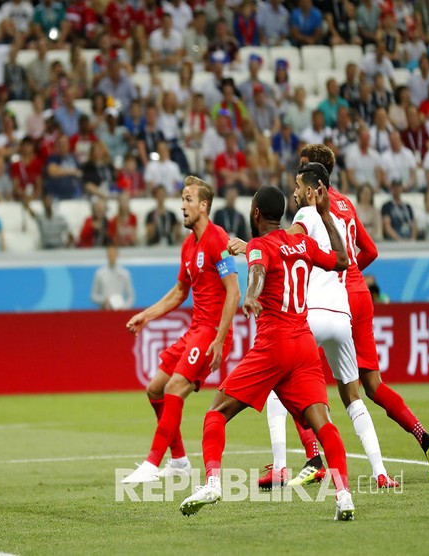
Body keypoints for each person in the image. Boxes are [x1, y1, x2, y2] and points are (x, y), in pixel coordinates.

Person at [180, 184, 356, 521]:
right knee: (323, 424)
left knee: (215, 413)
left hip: (274, 344)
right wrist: (325, 215)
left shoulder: (260, 245)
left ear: (256, 213)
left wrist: (251, 294)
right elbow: (343, 260)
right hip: (304, 345)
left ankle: (214, 483)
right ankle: (344, 495)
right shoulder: (303, 242)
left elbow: (258, 269)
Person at [297, 144, 429, 481]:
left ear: (314, 175)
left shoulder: (314, 205)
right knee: (374, 386)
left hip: (336, 297)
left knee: (299, 373)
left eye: (303, 168)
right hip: (361, 292)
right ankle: (425, 438)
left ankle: (315, 458)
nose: (298, 178)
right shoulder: (347, 203)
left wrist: (334, 276)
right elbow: (371, 250)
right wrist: (351, 273)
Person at [256, 162, 397, 488]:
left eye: (297, 185)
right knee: (353, 397)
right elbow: (351, 257)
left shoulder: (306, 215)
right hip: (342, 317)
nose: (293, 191)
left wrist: (251, 247)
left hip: (314, 314)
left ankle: (280, 467)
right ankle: (380, 472)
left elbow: (286, 243)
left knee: (279, 384)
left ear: (311, 189)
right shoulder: (337, 217)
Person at [121, 177, 240, 483]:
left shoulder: (218, 238)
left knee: (175, 388)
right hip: (195, 330)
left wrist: (219, 338)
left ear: (203, 206)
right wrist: (146, 316)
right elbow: (179, 292)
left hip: (211, 332)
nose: (182, 206)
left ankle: (152, 461)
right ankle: (179, 461)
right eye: (182, 200)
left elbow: (234, 292)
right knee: (155, 389)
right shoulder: (188, 246)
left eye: (188, 200)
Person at [91, 244, 135, 310]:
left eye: (113, 253)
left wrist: (124, 308)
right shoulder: (100, 273)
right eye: (109, 254)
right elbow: (93, 296)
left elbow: (131, 297)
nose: (111, 256)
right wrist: (104, 300)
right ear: (107, 255)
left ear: (117, 254)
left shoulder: (124, 273)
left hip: (120, 311)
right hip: (104, 311)